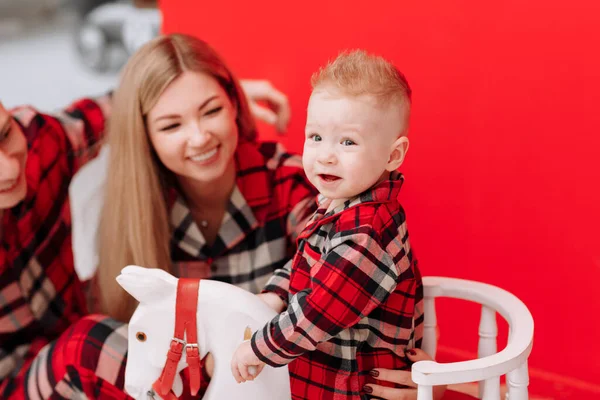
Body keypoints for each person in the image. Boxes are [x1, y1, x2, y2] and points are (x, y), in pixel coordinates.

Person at [0, 33, 441, 400]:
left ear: (234, 104)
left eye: (211, 110)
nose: (198, 136)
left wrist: (416, 372)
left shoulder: (302, 184)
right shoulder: (144, 204)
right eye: (171, 125)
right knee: (89, 344)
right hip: (162, 381)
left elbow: (343, 273)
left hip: (265, 382)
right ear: (146, 137)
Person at [231, 50, 425, 400]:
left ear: (392, 156)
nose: (325, 155)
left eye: (348, 142)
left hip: (354, 387)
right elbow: (307, 263)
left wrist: (259, 348)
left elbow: (322, 308)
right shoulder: (341, 206)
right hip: (321, 379)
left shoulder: (368, 231)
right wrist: (275, 293)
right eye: (316, 137)